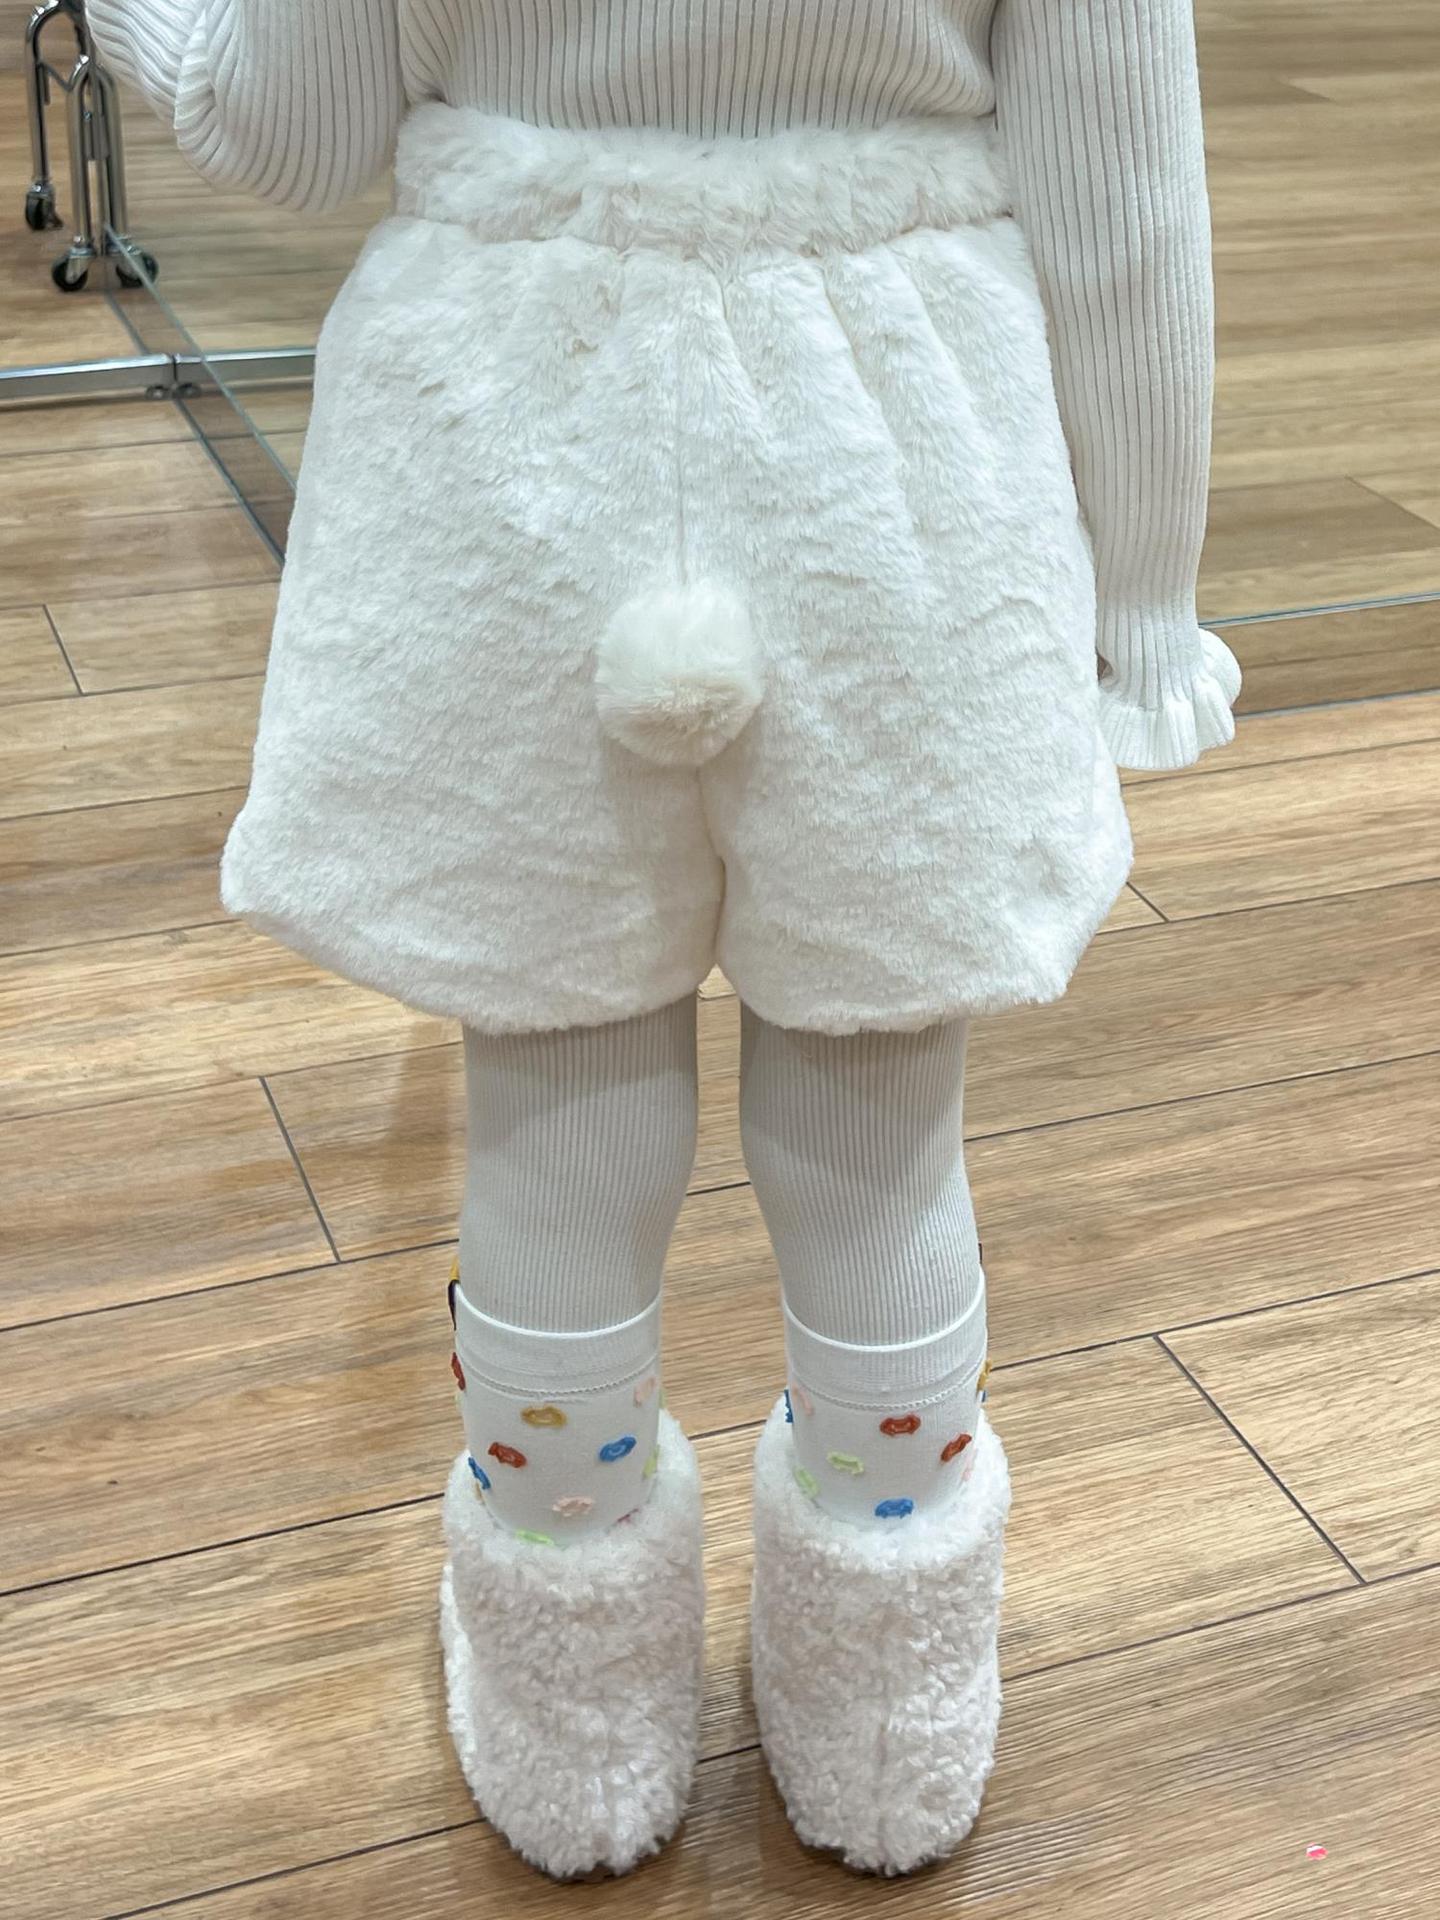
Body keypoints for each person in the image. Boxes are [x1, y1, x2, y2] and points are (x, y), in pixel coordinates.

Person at [90, 0, 1239, 1882]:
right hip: (899, 454)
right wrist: (1147, 598)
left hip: (516, 432)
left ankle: (572, 1717)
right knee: (878, 1106)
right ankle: (886, 1715)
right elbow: (1124, 195)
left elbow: (284, 124)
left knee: (557, 1089)